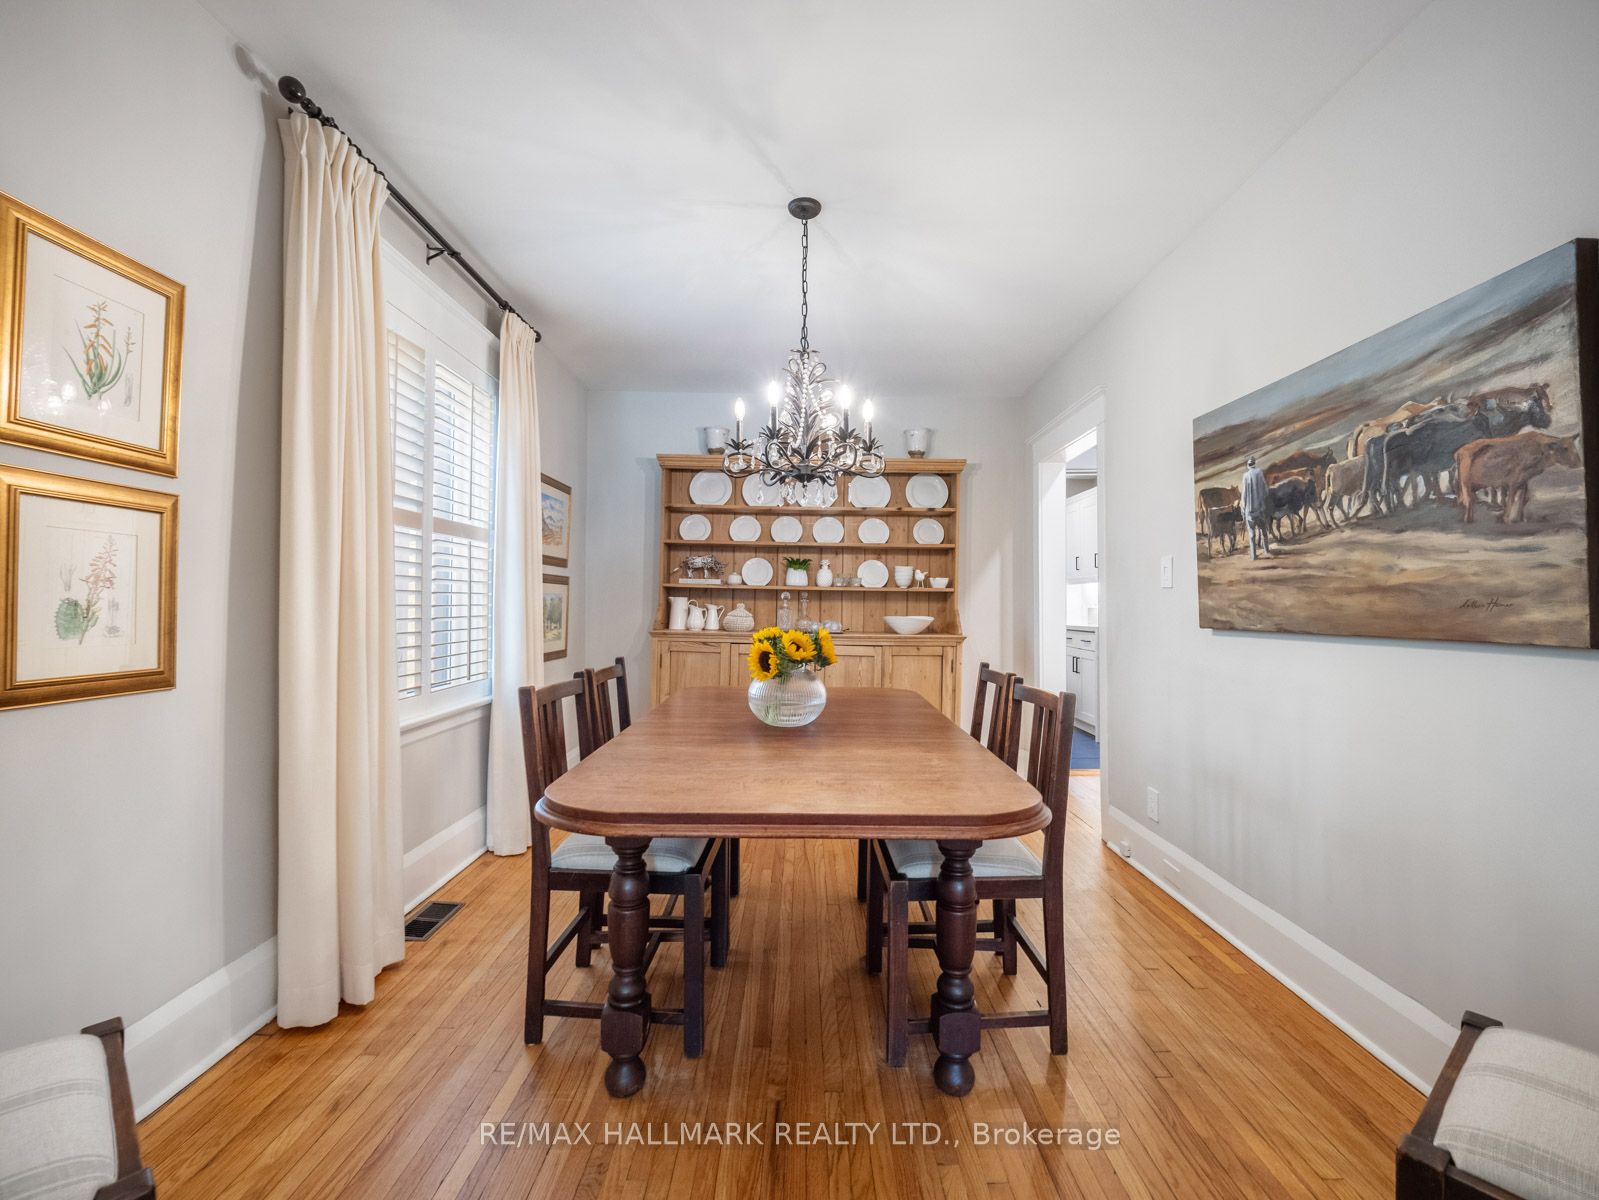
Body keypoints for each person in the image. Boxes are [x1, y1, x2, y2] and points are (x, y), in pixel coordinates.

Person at [1240, 455, 1272, 560]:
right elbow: (1265, 491)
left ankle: (1253, 556)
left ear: (1248, 465)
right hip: (1260, 510)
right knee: (1263, 531)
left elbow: (1244, 494)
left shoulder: (1245, 476)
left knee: (1252, 534)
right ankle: (1266, 551)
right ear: (1254, 463)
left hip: (1249, 512)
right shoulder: (1259, 472)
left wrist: (1243, 509)